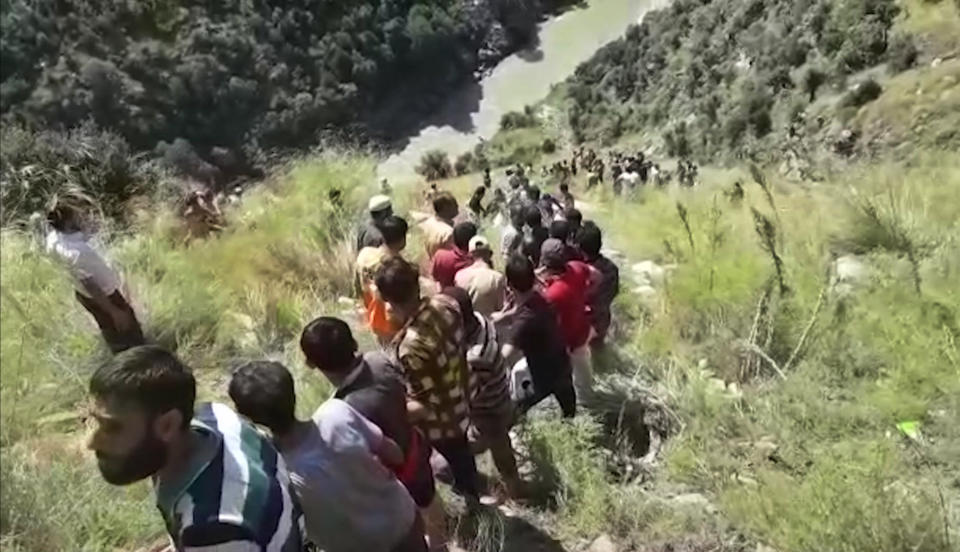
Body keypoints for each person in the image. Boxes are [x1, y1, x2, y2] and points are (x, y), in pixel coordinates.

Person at [87, 346, 304, 551]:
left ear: (168, 425)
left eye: (111, 428)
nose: (90, 442)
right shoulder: (216, 415)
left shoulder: (213, 528)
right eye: (92, 420)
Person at [229, 361, 426, 552]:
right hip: (402, 521)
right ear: (292, 392)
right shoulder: (336, 413)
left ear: (251, 418)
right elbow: (394, 454)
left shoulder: (275, 473)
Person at [300, 318, 447, 550]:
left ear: (310, 363)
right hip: (415, 446)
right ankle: (441, 545)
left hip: (396, 476)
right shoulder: (378, 361)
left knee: (412, 516)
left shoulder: (343, 410)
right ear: (354, 343)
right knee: (428, 498)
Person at [375, 257, 481, 505]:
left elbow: (424, 405)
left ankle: (469, 503)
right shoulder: (446, 303)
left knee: (453, 459)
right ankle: (472, 489)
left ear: (389, 302)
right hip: (462, 394)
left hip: (441, 422)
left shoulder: (410, 348)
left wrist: (389, 413)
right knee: (462, 454)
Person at [443, 287, 521, 498]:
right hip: (499, 398)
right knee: (502, 447)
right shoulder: (478, 319)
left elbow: (464, 394)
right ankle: (513, 489)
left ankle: (490, 491)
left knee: (448, 461)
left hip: (486, 411)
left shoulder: (476, 357)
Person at [46, 198, 144, 353]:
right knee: (127, 328)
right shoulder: (78, 253)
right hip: (105, 297)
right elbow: (90, 285)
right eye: (77, 216)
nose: (82, 217)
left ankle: (122, 357)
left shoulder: (53, 239)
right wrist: (114, 311)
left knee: (110, 331)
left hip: (83, 295)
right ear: (68, 223)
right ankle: (142, 359)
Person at [498, 255, 576, 418]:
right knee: (569, 414)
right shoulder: (543, 297)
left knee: (516, 413)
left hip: (543, 378)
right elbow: (524, 309)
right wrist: (503, 317)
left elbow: (504, 356)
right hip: (563, 365)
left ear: (509, 284)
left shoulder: (524, 323)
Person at [539, 239, 595, 401]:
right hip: (582, 331)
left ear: (544, 261)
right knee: (584, 376)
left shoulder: (552, 293)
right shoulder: (577, 268)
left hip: (566, 342)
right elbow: (597, 276)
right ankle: (588, 400)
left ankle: (573, 403)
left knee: (564, 379)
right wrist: (584, 293)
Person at [356, 215, 409, 344]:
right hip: (392, 323)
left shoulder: (365, 254)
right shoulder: (396, 266)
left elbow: (358, 285)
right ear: (402, 239)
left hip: (374, 317)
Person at [578, 223, 620, 348]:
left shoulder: (577, 269)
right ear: (600, 245)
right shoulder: (611, 268)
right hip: (601, 321)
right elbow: (614, 292)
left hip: (580, 324)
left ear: (580, 247)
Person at [455, 235, 507, 318]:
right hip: (490, 327)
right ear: (489, 255)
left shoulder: (459, 276)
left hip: (467, 326)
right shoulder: (497, 278)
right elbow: (501, 308)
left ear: (470, 255)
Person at [430, 221, 476, 288]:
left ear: (454, 239)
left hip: (445, 295)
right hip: (467, 297)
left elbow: (435, 278)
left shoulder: (440, 256)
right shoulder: (474, 263)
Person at [421, 192, 458, 259]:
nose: (458, 206)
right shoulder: (448, 233)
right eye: (454, 204)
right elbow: (451, 259)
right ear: (445, 208)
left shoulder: (429, 222)